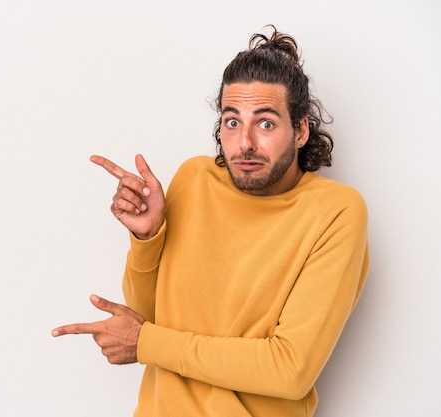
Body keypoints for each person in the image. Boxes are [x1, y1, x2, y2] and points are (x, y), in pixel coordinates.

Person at [52, 25, 369, 417]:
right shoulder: (194, 179)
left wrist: (147, 343)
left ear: (300, 130)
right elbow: (149, 317)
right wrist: (148, 237)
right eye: (232, 121)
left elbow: (290, 369)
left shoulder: (335, 212)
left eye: (266, 123)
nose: (245, 142)